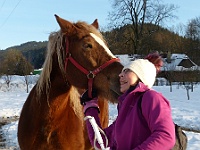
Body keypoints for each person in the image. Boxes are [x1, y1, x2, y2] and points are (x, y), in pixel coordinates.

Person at [80, 57, 175, 150]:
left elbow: (165, 136)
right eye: (122, 71)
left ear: (141, 75)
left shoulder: (151, 97)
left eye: (127, 71)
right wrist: (90, 107)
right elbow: (100, 141)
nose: (120, 75)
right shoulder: (125, 108)